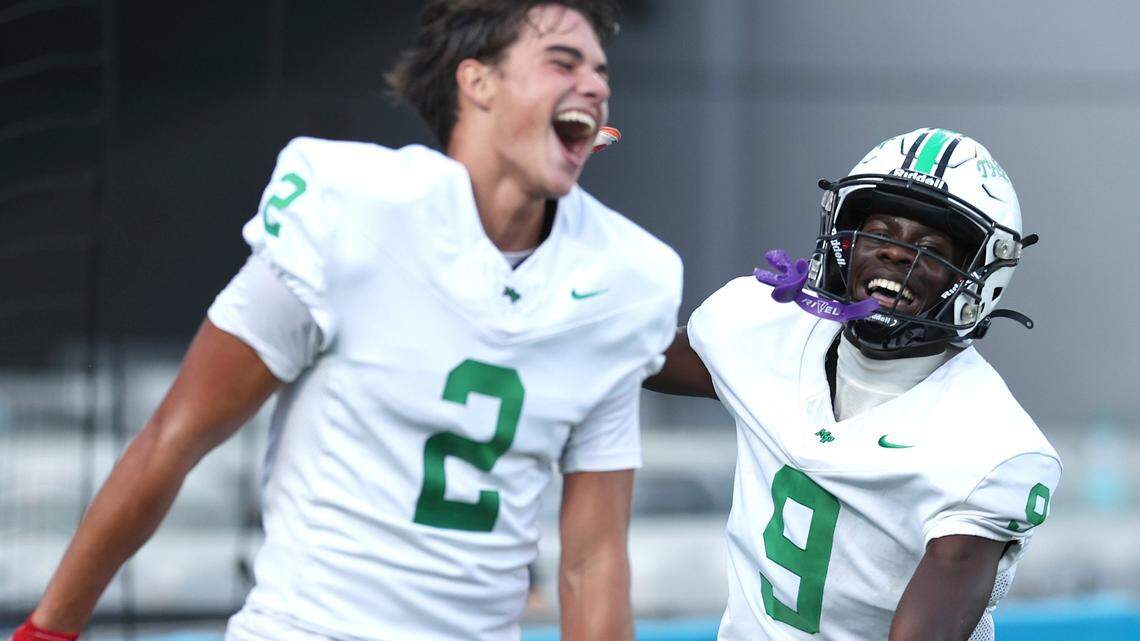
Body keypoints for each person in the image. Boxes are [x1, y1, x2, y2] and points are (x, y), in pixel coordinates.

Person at [12, 2, 681, 641]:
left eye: (602, 73)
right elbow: (174, 438)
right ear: (478, 80)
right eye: (564, 62)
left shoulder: (622, 283)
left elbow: (592, 559)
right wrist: (49, 626)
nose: (594, 86)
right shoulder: (350, 211)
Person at [645, 128, 1061, 641]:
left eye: (930, 248)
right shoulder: (761, 327)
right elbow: (612, 355)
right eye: (881, 232)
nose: (895, 254)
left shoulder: (994, 446)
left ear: (976, 279)